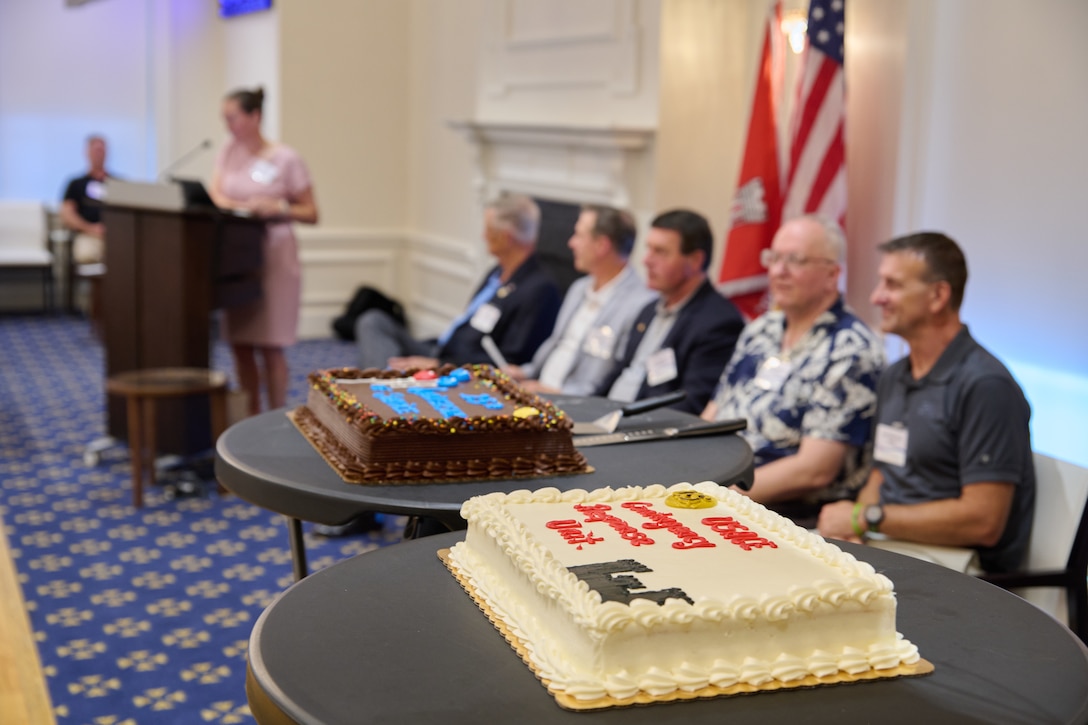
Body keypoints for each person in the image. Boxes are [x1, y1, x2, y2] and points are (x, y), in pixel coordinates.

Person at [817, 232, 1035, 574]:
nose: (876, 297)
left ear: (938, 296)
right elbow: (881, 474)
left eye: (892, 285)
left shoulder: (985, 386)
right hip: (891, 543)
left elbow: (984, 521)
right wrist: (854, 533)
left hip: (958, 569)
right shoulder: (894, 376)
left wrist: (868, 518)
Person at [701, 216, 884, 526]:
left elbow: (814, 470)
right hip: (715, 489)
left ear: (832, 275)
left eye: (795, 260)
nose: (778, 272)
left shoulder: (850, 350)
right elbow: (712, 415)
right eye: (774, 258)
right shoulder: (760, 330)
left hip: (780, 515)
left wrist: (717, 497)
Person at [355, 193, 561, 371]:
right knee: (373, 321)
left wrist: (440, 365)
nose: (483, 236)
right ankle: (387, 378)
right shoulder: (496, 272)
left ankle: (383, 382)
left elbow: (508, 362)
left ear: (506, 237)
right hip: (442, 350)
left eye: (488, 231)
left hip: (461, 368)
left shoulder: (539, 290)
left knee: (380, 356)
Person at [208, 87, 319, 416]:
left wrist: (278, 206)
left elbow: (311, 212)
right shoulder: (229, 152)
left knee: (270, 345)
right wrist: (243, 207)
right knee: (240, 344)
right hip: (236, 257)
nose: (228, 125)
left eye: (233, 118)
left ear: (255, 116)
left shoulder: (286, 158)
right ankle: (249, 419)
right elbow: (215, 194)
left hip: (273, 255)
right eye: (224, 119)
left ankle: (275, 417)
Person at [595, 209, 745, 415]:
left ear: (695, 261)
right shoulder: (648, 310)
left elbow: (691, 405)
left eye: (661, 252)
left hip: (643, 432)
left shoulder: (718, 323)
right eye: (648, 249)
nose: (646, 260)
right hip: (608, 417)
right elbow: (618, 373)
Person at [506, 204, 656, 395]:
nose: (571, 243)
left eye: (579, 235)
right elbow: (557, 344)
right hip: (537, 392)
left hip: (573, 407)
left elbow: (611, 382)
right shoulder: (579, 288)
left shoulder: (640, 305)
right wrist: (523, 373)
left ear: (601, 245)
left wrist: (553, 393)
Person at [60, 134, 114, 264]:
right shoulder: (76, 184)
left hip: (115, 235)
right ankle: (96, 285)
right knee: (86, 254)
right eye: (96, 150)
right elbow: (67, 214)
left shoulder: (117, 183)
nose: (99, 154)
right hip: (88, 235)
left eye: (102, 150)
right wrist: (91, 228)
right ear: (87, 153)